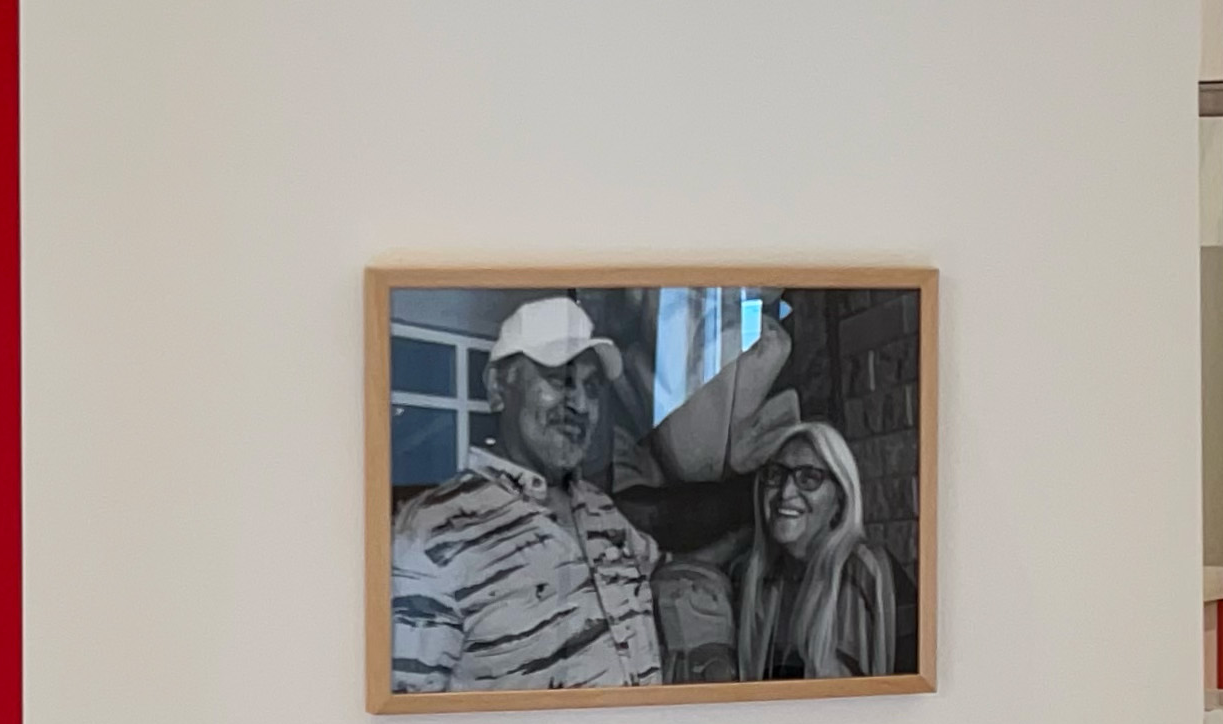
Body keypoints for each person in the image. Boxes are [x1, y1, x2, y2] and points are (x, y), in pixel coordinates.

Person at [388, 296, 666, 693]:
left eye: (591, 388)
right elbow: (406, 717)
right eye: (559, 379)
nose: (581, 404)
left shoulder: (602, 512)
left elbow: (664, 569)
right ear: (499, 388)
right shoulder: (431, 534)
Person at [661, 419, 906, 684]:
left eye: (809, 478)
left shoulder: (863, 570)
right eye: (776, 475)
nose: (786, 492)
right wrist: (742, 539)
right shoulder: (756, 578)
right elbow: (674, 575)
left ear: (840, 499)